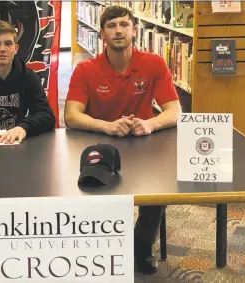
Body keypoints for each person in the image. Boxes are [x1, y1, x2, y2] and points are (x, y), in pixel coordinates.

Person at [64, 5, 182, 275]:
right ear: (102, 34)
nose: (118, 30)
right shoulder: (86, 69)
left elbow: (175, 110)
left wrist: (150, 123)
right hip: (99, 146)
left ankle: (140, 250)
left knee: (156, 192)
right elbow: (71, 115)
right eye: (112, 25)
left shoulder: (153, 64)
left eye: (124, 25)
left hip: (143, 144)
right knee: (93, 189)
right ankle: (101, 248)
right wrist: (106, 126)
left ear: (134, 30)